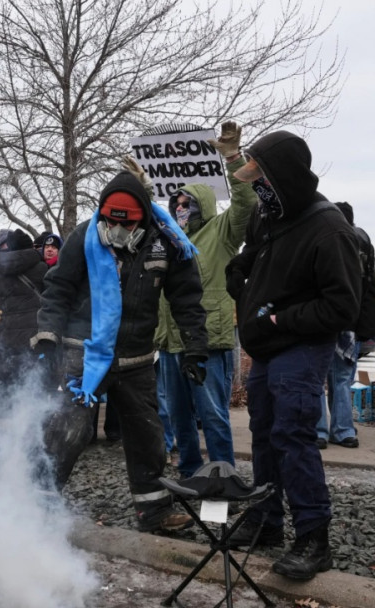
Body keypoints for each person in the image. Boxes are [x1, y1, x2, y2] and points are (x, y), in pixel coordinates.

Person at [33, 165, 208, 534]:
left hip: (137, 359)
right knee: (69, 429)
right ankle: (38, 504)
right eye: (112, 221)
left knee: (147, 434)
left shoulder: (167, 243)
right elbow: (58, 290)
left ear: (142, 220)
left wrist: (195, 346)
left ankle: (154, 512)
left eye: (127, 224)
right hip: (85, 354)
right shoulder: (83, 237)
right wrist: (48, 333)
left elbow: (187, 299)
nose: (118, 231)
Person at [224, 130, 361, 580]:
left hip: (300, 348)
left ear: (282, 176)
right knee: (263, 432)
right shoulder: (267, 214)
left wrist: (282, 320)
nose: (255, 186)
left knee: (292, 433)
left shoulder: (329, 230)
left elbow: (342, 306)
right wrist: (241, 266)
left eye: (260, 177)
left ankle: (313, 537)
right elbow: (255, 251)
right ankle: (266, 520)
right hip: (264, 347)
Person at [154, 120, 256, 476]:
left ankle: (222, 476)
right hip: (171, 343)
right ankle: (190, 475)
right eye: (176, 202)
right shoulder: (168, 238)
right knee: (179, 416)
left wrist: (232, 158)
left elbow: (246, 203)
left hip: (210, 341)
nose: (181, 206)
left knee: (212, 414)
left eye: (187, 201)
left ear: (203, 203)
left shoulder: (222, 232)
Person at [316, 201, 375, 449]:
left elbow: (369, 289)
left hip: (328, 322)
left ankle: (321, 431)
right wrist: (366, 328)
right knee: (339, 378)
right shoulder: (362, 242)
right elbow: (369, 288)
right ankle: (341, 431)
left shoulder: (322, 238)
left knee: (323, 378)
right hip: (344, 323)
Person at [0, 229, 51, 404]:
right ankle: (32, 429)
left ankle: (7, 430)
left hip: (5, 341)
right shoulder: (41, 268)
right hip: (33, 341)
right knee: (32, 390)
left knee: (7, 394)